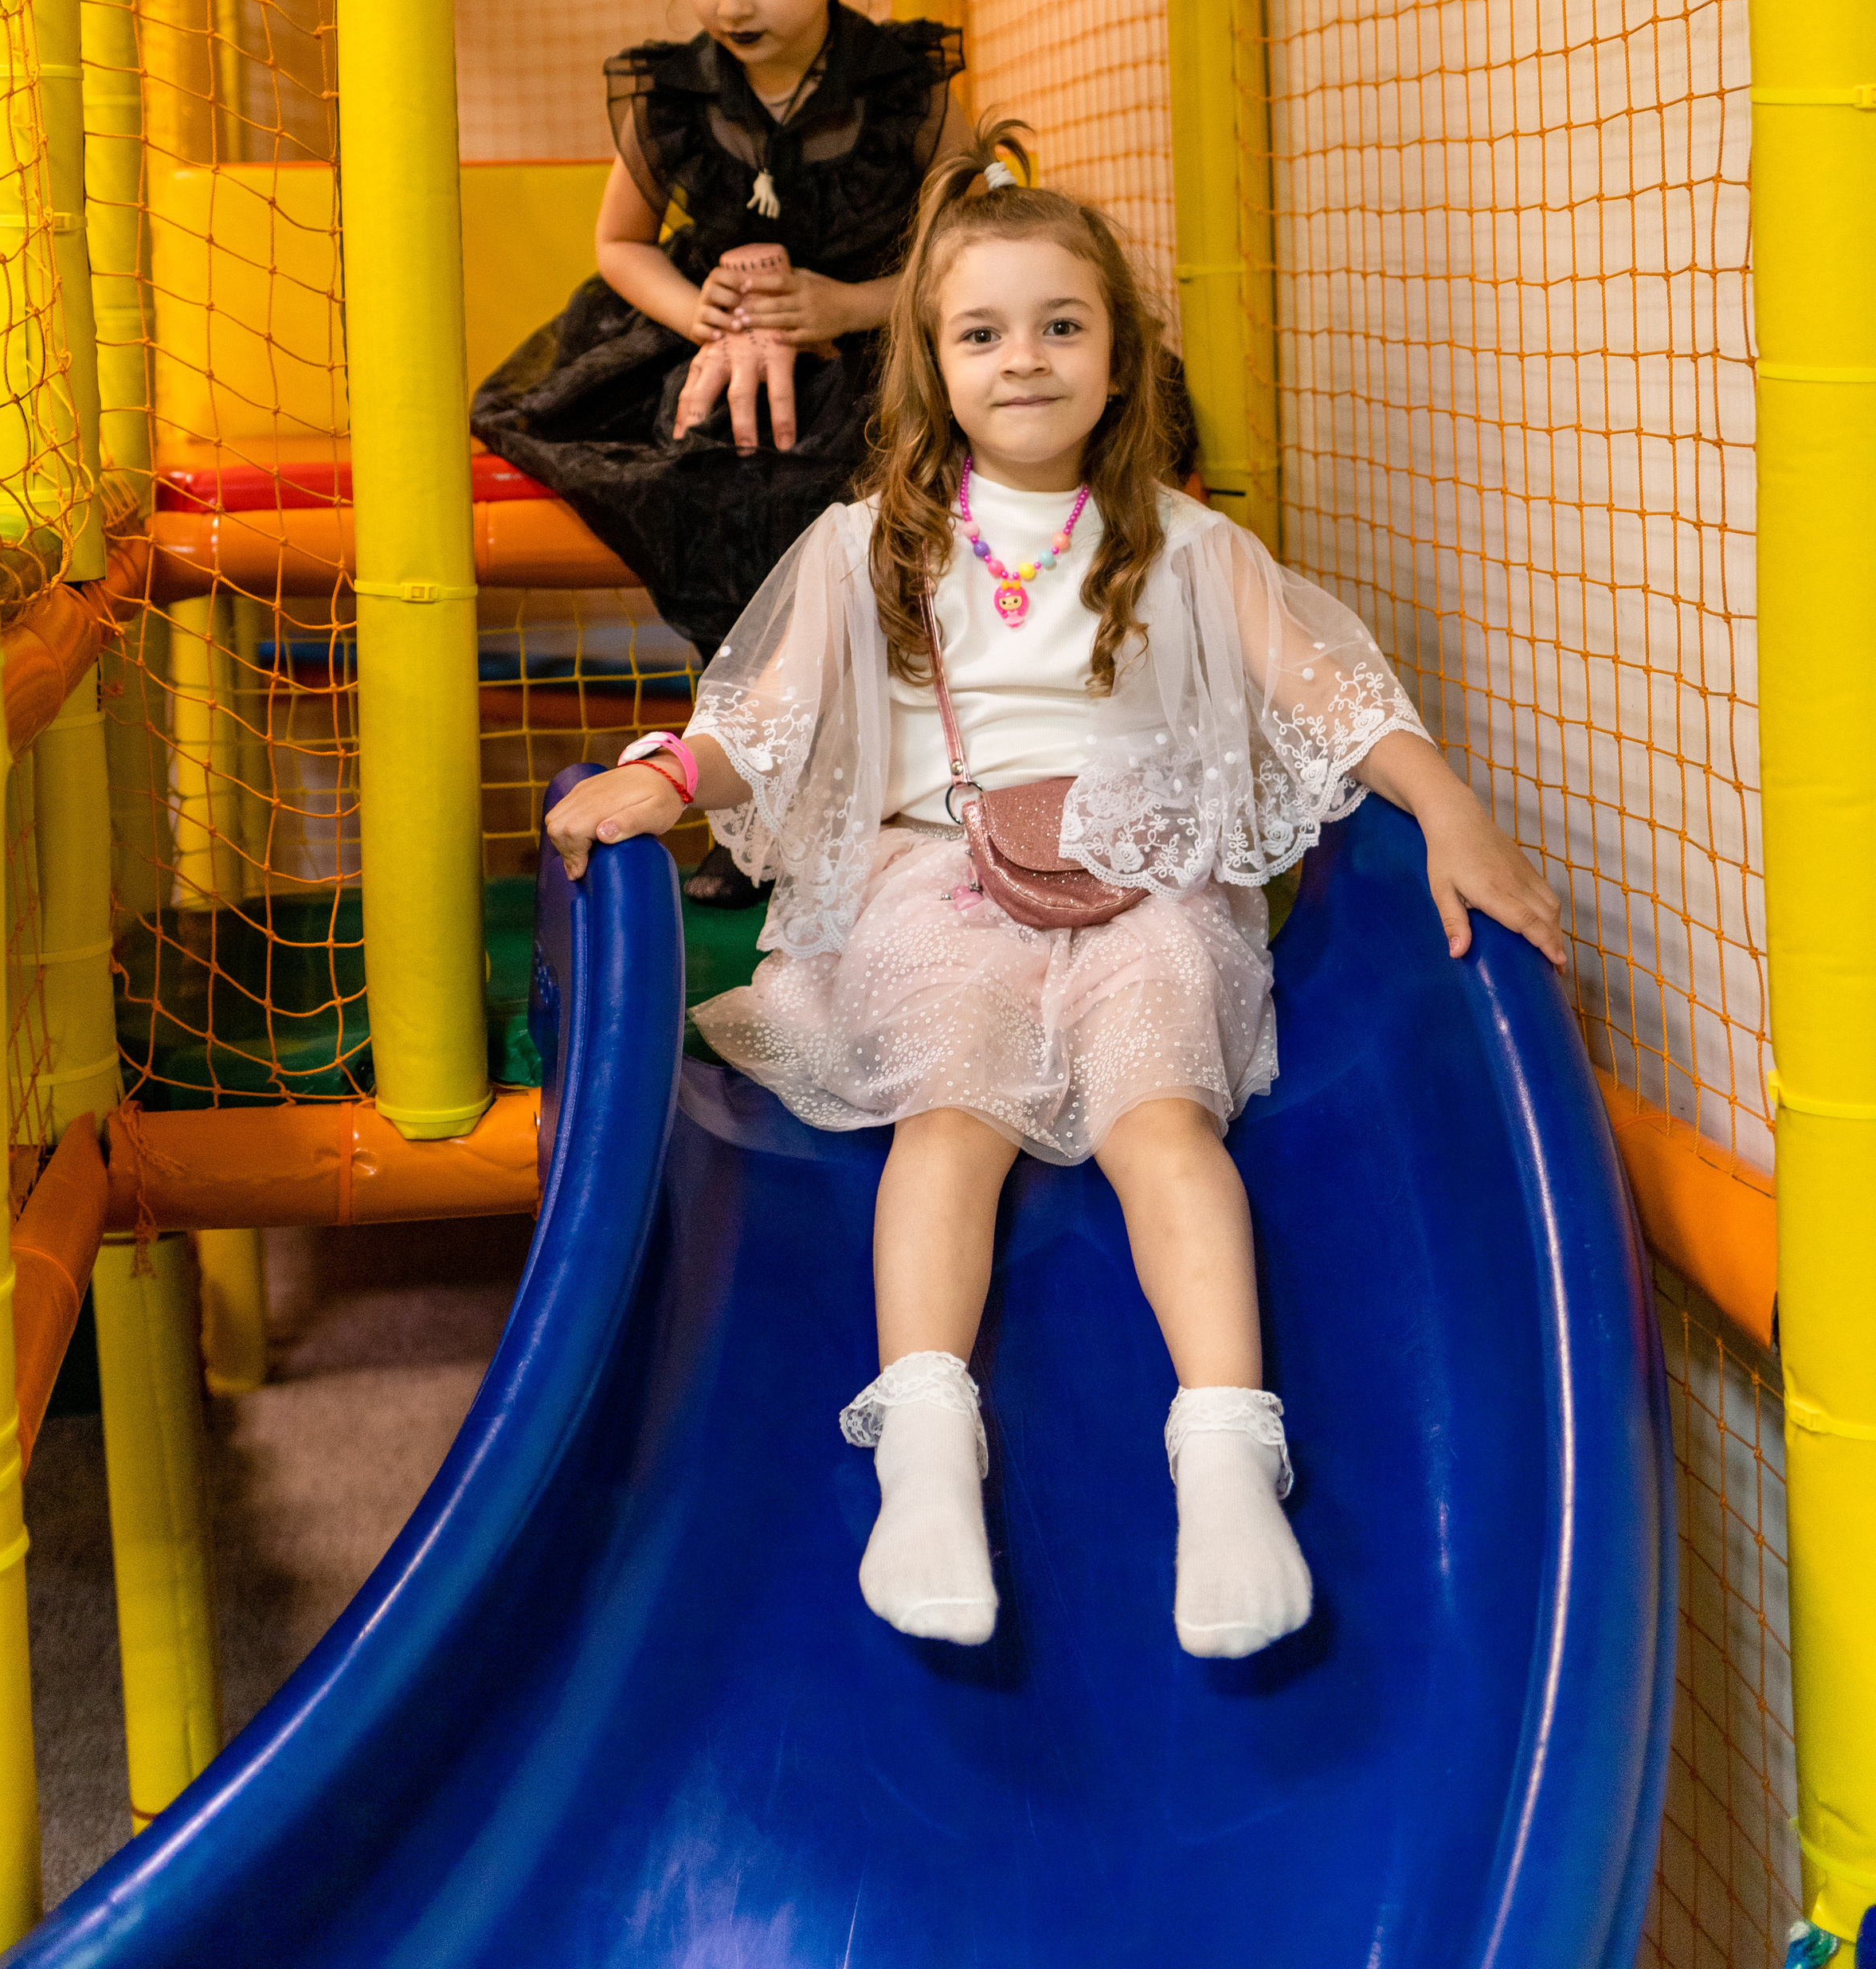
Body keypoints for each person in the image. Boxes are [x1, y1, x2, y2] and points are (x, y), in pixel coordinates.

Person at [546, 128, 1565, 1655]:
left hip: (1145, 885)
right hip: (929, 879)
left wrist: (1452, 809)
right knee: (950, 1113)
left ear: (1119, 356)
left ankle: (1227, 1462)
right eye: (982, 333)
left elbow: (1334, 696)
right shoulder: (870, 546)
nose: (1023, 359)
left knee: (1164, 1117)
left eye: (1061, 326)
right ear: (933, 367)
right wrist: (671, 782)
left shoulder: (1188, 548)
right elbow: (758, 724)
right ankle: (927, 1455)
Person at [470, 0, 973, 902]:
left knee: (842, 502)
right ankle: (747, 811)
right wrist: (698, 311)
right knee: (721, 484)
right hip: (697, 346)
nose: (732, 2)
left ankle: (875, 804)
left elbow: (966, 255)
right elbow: (620, 246)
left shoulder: (904, 87)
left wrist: (844, 307)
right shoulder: (673, 94)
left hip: (871, 339)